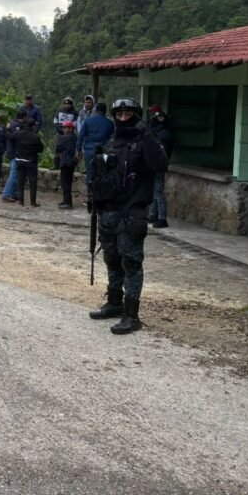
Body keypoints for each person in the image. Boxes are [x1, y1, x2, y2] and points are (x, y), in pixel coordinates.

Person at [87, 98, 168, 334]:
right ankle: (114, 303)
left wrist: (147, 135)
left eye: (128, 114)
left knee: (131, 263)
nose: (123, 118)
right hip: (109, 211)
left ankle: (132, 315)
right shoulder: (112, 140)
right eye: (119, 114)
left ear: (136, 115)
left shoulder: (145, 140)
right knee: (111, 258)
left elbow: (160, 165)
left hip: (132, 212)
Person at [77, 101, 114, 196]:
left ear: (96, 110)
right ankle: (100, 195)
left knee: (90, 172)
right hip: (103, 151)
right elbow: (112, 139)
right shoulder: (110, 123)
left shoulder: (87, 121)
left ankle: (90, 195)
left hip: (89, 150)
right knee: (102, 173)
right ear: (105, 111)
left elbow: (81, 136)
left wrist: (79, 150)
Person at [146, 106, 174, 229]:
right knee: (154, 191)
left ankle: (162, 218)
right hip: (155, 164)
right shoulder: (159, 131)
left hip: (158, 165)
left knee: (158, 192)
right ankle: (154, 214)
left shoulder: (162, 134)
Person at [14, 118, 44, 207]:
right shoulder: (35, 136)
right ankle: (33, 202)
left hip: (19, 160)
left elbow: (12, 139)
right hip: (31, 161)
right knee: (32, 182)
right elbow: (40, 149)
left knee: (20, 182)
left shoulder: (18, 133)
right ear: (33, 126)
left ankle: (21, 201)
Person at [0, 109, 27, 203]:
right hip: (14, 152)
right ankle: (6, 194)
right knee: (14, 173)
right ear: (24, 117)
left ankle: (14, 193)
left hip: (12, 151)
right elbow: (15, 137)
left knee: (16, 174)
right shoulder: (16, 125)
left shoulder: (12, 124)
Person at [55, 120, 78, 209]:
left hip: (66, 162)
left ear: (71, 129)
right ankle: (66, 200)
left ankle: (68, 202)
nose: (64, 129)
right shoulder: (74, 137)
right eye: (63, 128)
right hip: (70, 162)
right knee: (66, 182)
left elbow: (58, 148)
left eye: (66, 127)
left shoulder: (66, 137)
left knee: (65, 183)